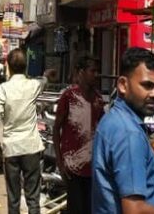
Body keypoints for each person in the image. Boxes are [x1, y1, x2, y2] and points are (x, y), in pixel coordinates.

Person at [92, 47, 154, 213]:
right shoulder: (128, 132)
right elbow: (134, 209)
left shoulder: (114, 120)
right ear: (123, 85)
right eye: (147, 85)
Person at [0, 48, 56, 214]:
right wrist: (47, 75)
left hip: (11, 149)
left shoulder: (2, 89)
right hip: (31, 147)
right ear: (25, 67)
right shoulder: (33, 85)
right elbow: (45, 80)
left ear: (9, 67)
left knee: (13, 198)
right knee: (33, 197)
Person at [55, 56, 106, 214]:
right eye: (92, 71)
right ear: (81, 72)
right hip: (73, 168)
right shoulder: (69, 96)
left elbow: (103, 129)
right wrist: (60, 162)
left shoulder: (98, 99)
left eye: (97, 71)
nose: (96, 74)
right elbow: (56, 129)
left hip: (93, 168)